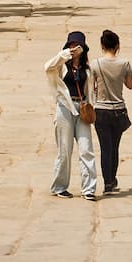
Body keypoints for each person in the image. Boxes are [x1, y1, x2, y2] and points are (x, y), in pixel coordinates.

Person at [45, 30, 100, 199]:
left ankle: (89, 189)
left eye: (78, 45)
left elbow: (91, 89)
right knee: (64, 149)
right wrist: (64, 55)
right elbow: (47, 67)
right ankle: (60, 186)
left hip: (82, 107)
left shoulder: (87, 69)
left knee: (86, 149)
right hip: (65, 108)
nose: (74, 48)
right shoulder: (61, 66)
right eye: (71, 45)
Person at [91, 29, 132, 193]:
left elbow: (90, 86)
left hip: (101, 110)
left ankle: (108, 183)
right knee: (115, 147)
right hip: (118, 110)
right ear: (117, 46)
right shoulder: (124, 64)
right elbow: (130, 85)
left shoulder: (95, 64)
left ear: (102, 45)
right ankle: (112, 179)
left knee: (105, 148)